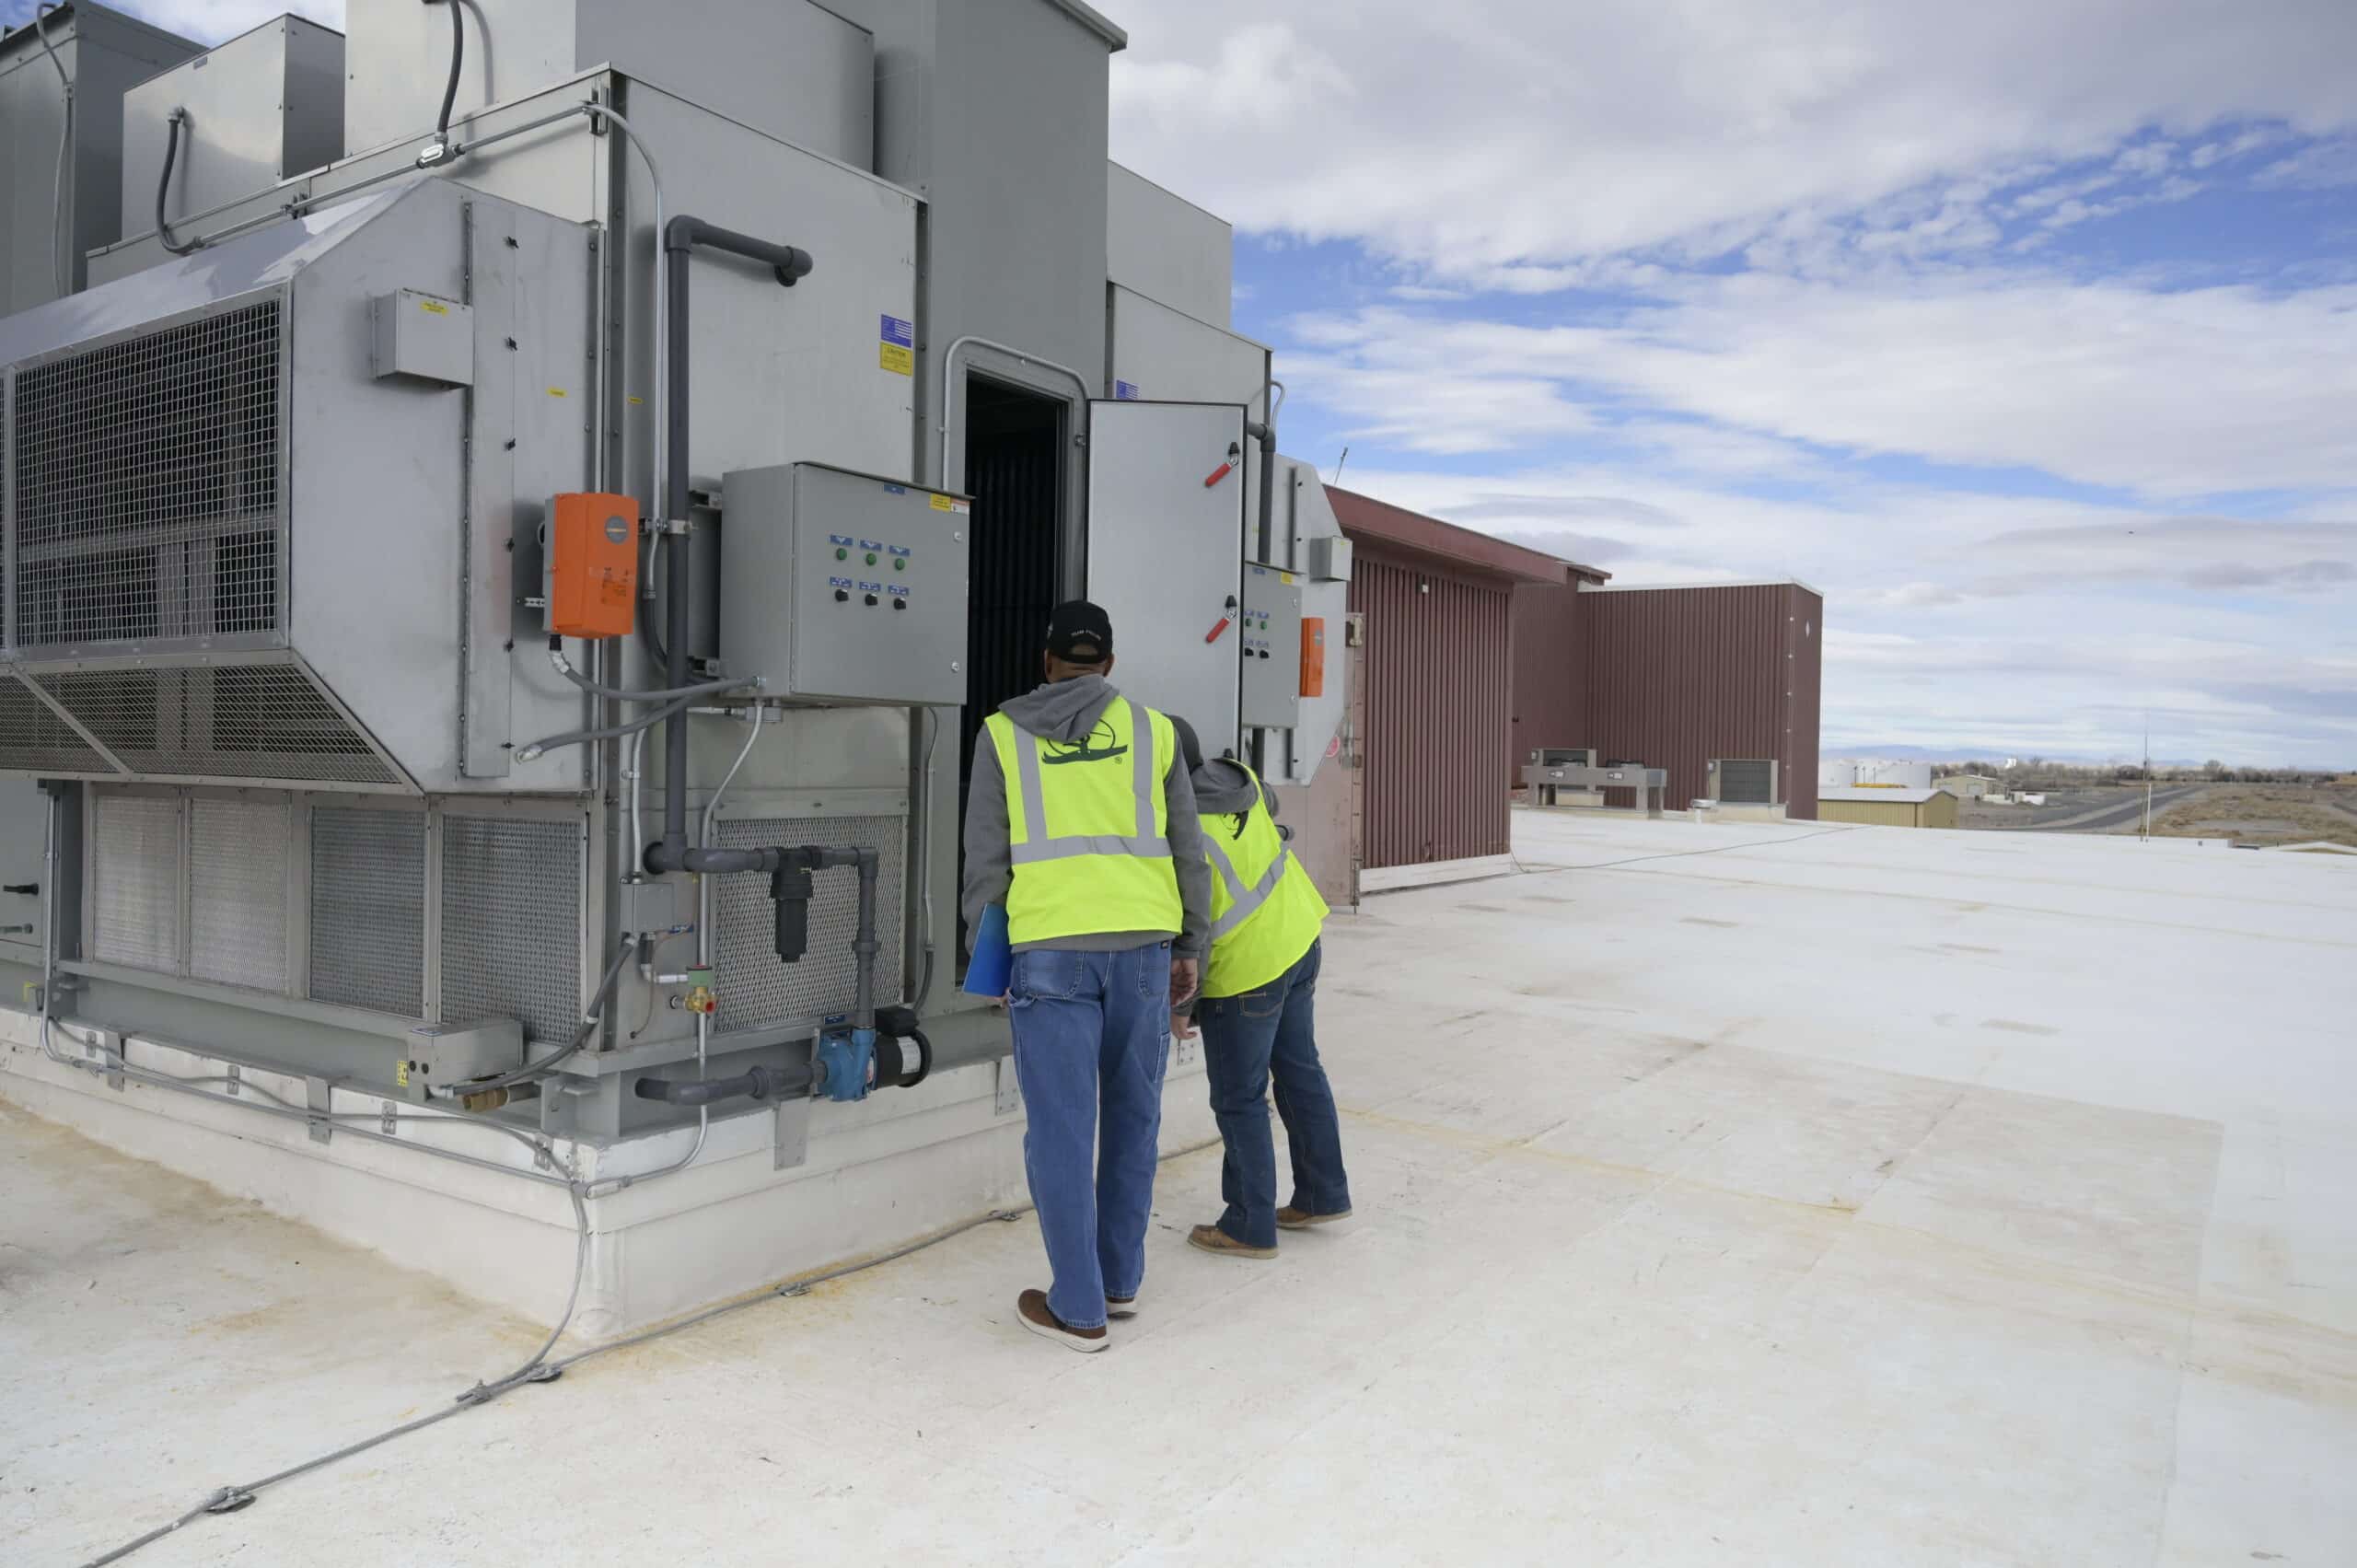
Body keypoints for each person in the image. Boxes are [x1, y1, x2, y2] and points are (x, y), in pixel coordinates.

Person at [961, 600, 1210, 1352]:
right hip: (1142, 949)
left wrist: (991, 960)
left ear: (1047, 662)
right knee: (1134, 1116)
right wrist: (1189, 944)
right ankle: (1119, 1279)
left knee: (1063, 1132)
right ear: (1107, 662)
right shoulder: (1154, 730)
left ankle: (1078, 1305)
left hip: (1050, 953)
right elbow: (1187, 847)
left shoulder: (1002, 734)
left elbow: (985, 864)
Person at [1168, 717, 1352, 1260]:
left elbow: (1194, 924)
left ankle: (1248, 1223)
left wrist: (1183, 1003)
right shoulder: (1240, 779)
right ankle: (1321, 1193)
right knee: (1300, 1072)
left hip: (1247, 975)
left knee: (1238, 1098)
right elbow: (1268, 806)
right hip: (1299, 940)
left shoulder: (1183, 830)